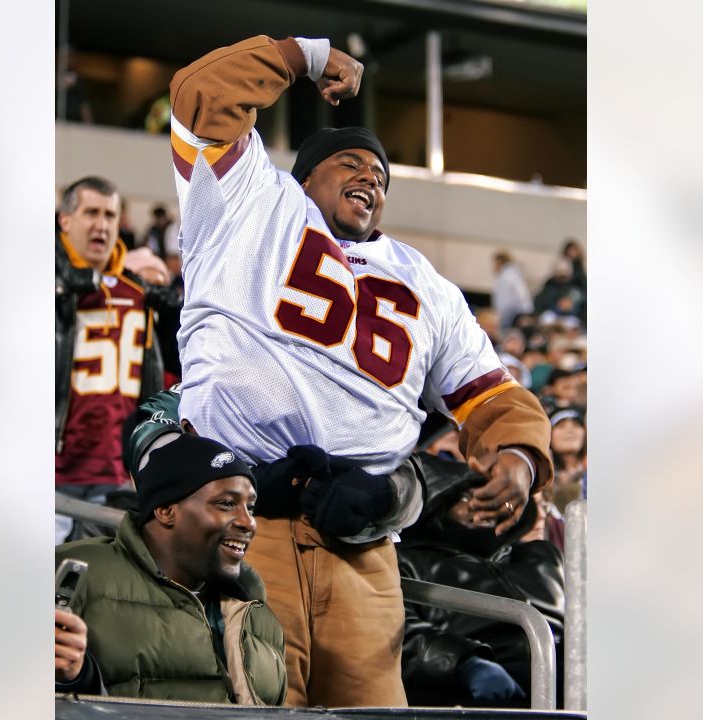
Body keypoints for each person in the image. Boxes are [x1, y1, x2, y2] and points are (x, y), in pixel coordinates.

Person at [167, 35, 552, 707]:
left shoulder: (424, 282)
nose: (371, 177)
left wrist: (520, 455)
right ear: (303, 176)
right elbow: (204, 94)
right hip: (239, 518)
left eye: (380, 174)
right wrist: (305, 55)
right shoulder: (246, 204)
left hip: (364, 544)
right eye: (350, 162)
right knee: (244, 699)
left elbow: (490, 393)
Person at [54, 433, 287, 704]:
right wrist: (72, 679)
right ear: (165, 510)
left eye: (251, 507)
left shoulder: (257, 612)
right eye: (226, 503)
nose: (249, 523)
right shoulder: (77, 573)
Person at [399, 453, 565, 708]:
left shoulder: (541, 557)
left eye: (496, 496)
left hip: (565, 673)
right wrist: (464, 663)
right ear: (438, 503)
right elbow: (398, 631)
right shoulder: (408, 563)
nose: (485, 504)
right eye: (468, 497)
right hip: (486, 683)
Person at [56, 176, 162, 543]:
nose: (101, 224)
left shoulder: (138, 292)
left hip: (114, 473)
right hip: (51, 472)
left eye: (109, 215)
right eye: (90, 213)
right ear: (65, 221)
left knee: (89, 592)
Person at [492, 250, 535, 330]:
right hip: (521, 315)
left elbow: (504, 303)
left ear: (500, 263)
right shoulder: (516, 276)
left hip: (512, 318)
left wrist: (500, 320)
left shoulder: (506, 278)